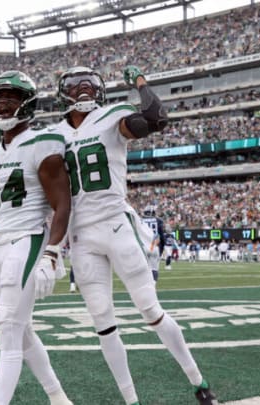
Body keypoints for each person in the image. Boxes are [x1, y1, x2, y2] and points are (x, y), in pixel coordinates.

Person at [54, 65, 217, 405]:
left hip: (115, 223)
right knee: (103, 323)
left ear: (100, 91)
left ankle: (199, 383)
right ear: (62, 93)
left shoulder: (112, 116)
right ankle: (132, 401)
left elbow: (157, 117)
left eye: (89, 84)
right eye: (75, 85)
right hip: (81, 236)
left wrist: (140, 82)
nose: (83, 90)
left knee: (150, 310)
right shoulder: (54, 135)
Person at [0, 70, 73, 405]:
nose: (3, 104)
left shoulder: (43, 144)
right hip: (0, 244)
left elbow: (62, 203)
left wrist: (52, 252)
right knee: (21, 331)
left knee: (8, 331)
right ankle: (59, 398)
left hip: (29, 238)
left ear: (28, 103)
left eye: (12, 97)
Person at [141, 206, 165, 281]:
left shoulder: (140, 221)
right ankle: (152, 288)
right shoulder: (159, 221)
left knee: (143, 270)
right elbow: (162, 238)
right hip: (154, 247)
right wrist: (161, 250)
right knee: (154, 269)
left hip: (143, 247)